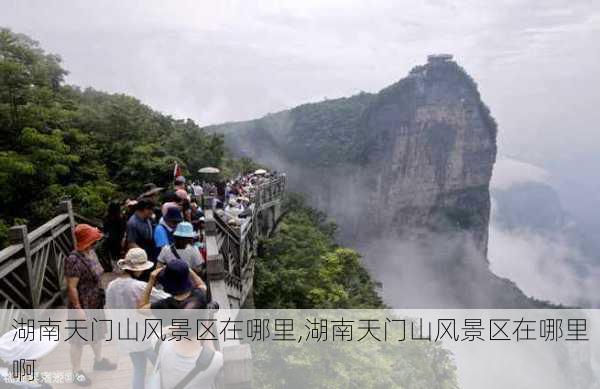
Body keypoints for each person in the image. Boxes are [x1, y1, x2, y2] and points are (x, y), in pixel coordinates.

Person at [105, 248, 170, 389]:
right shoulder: (139, 287)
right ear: (137, 269)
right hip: (146, 336)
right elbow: (166, 298)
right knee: (162, 368)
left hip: (127, 337)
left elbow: (110, 310)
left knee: (139, 370)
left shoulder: (111, 286)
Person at [65, 224, 116, 386]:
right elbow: (71, 287)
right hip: (82, 304)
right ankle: (76, 372)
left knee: (97, 332)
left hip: (95, 301)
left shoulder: (91, 252)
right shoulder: (73, 260)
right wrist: (78, 309)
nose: (96, 242)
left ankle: (98, 360)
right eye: (93, 240)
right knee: (78, 340)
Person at [139, 259, 206, 310]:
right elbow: (201, 285)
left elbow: (142, 308)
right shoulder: (200, 294)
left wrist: (151, 280)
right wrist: (187, 269)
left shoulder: (164, 305)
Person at [126, 199, 157, 265]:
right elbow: (131, 243)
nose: (152, 212)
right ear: (144, 209)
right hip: (141, 254)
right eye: (150, 209)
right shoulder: (133, 223)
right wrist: (143, 254)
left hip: (151, 251)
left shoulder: (148, 219)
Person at [102, 201, 125, 271]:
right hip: (118, 239)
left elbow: (105, 229)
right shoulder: (120, 218)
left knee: (112, 256)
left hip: (110, 239)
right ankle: (119, 269)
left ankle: (114, 268)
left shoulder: (106, 217)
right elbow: (122, 229)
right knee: (118, 255)